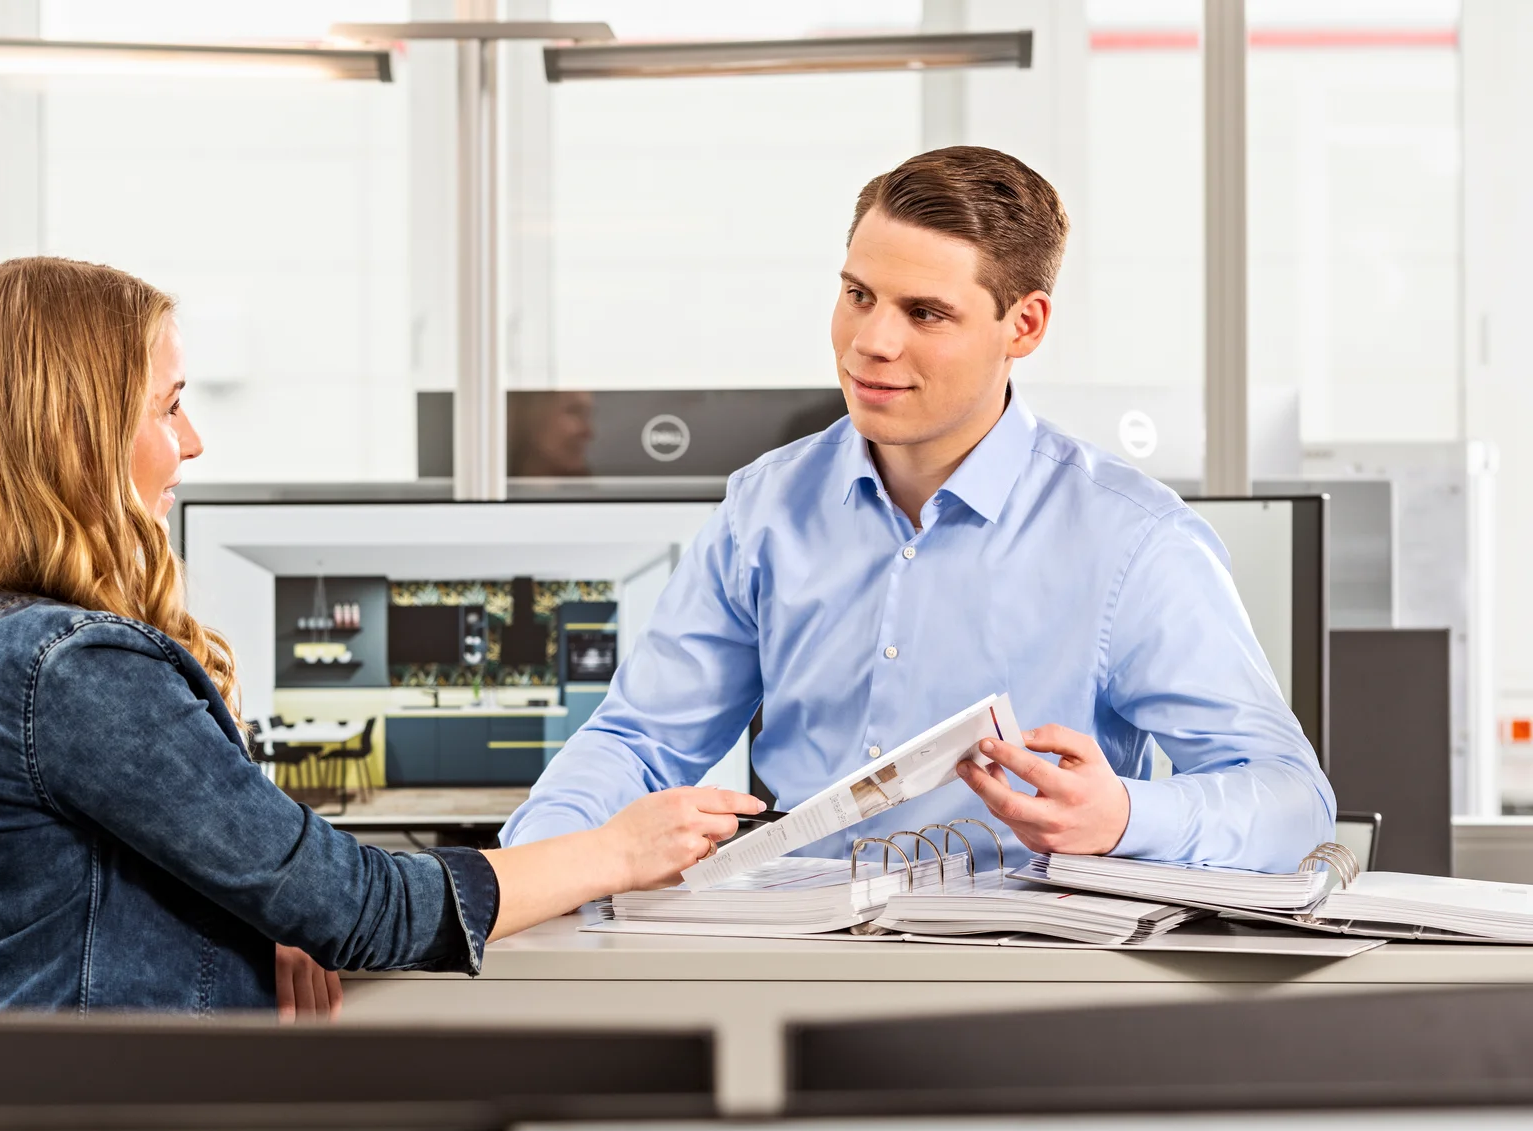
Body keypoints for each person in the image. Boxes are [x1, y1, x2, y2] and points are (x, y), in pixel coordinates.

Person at [0, 257, 761, 1017]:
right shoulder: (66, 667)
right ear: (75, 431)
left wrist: (251, 915)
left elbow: (128, 883)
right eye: (167, 405)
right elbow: (361, 909)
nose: (190, 442)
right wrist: (616, 850)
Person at [504, 146, 1335, 870]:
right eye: (859, 295)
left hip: (1022, 979)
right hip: (791, 954)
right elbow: (638, 743)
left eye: (925, 313)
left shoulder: (1132, 540)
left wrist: (1124, 816)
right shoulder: (766, 507)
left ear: (1026, 324)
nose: (872, 341)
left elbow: (1293, 802)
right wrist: (532, 873)